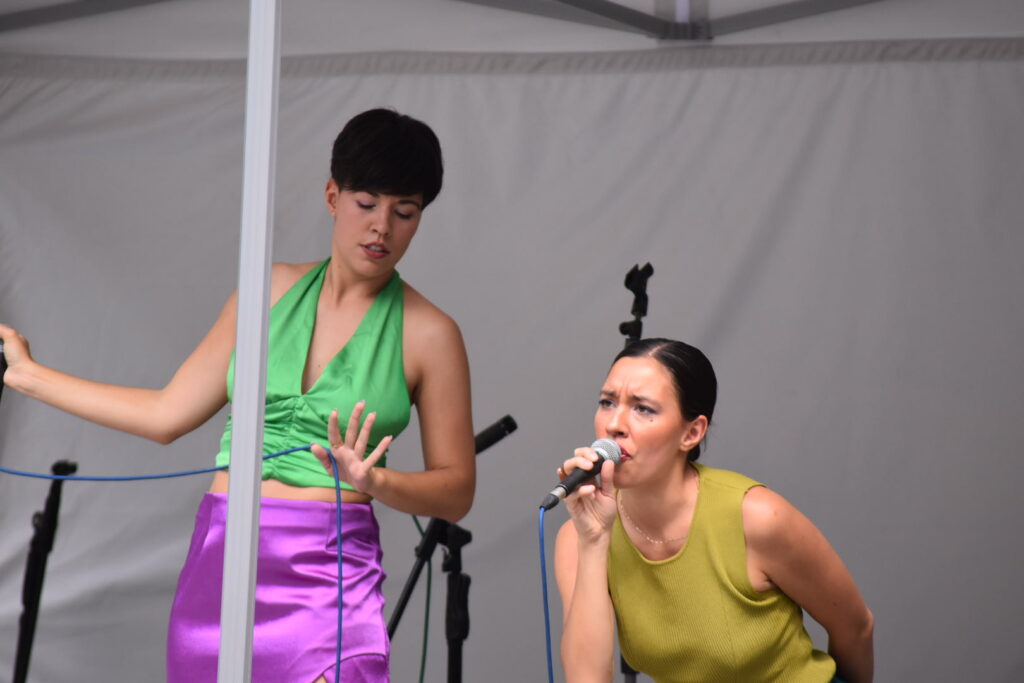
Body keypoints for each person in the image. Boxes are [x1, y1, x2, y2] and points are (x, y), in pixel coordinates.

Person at [0, 108, 475, 683]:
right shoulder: (266, 289)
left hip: (329, 577)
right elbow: (166, 414)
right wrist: (28, 376)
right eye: (367, 203)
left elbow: (456, 491)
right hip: (222, 560)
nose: (382, 228)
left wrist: (378, 482)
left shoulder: (431, 333)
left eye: (404, 212)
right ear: (332, 196)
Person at [554, 338, 873, 683]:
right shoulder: (579, 537)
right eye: (607, 402)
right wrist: (594, 539)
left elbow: (857, 628)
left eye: (643, 408)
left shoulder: (756, 517)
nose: (614, 424)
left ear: (692, 433)